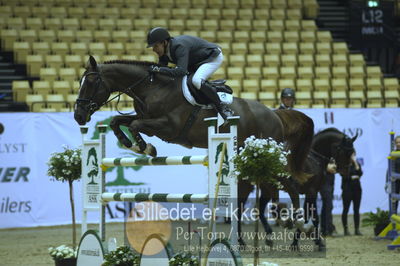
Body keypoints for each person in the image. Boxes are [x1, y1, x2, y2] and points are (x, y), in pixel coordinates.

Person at [146, 27, 232, 121]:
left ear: (164, 42)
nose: (153, 49)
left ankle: (222, 108)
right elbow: (162, 71)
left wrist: (158, 69)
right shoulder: (164, 52)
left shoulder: (179, 46)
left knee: (196, 80)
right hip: (195, 61)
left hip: (211, 58)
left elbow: (180, 71)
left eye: (155, 46)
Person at [341, 150, 363, 235]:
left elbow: (360, 173)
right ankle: (346, 229)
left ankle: (357, 229)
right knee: (345, 209)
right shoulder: (344, 164)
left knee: (356, 210)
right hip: (347, 190)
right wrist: (353, 177)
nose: (352, 156)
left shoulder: (357, 164)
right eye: (350, 155)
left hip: (357, 189)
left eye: (353, 154)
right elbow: (344, 176)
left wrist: (356, 163)